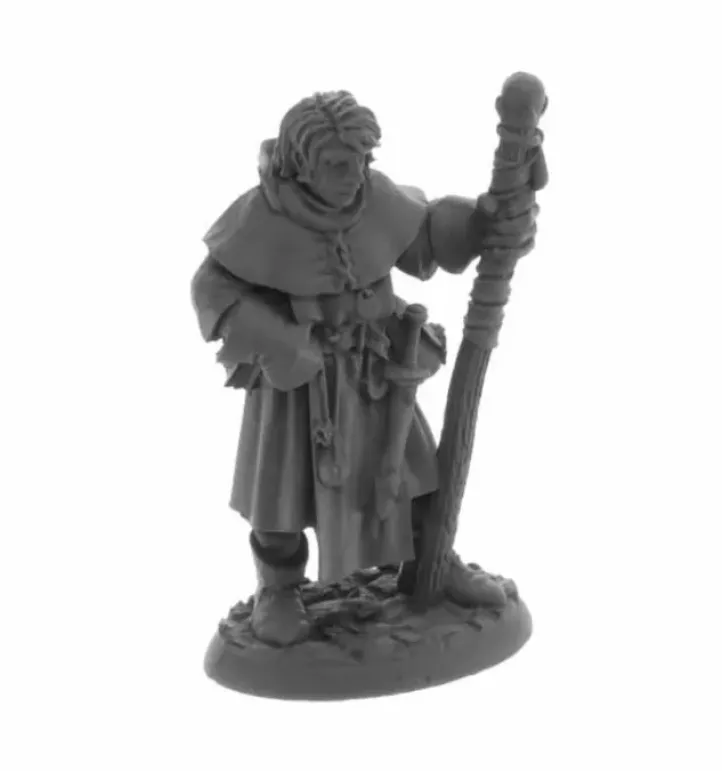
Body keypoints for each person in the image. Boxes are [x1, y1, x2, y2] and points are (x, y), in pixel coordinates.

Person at [192, 90, 511, 646]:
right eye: (338, 164)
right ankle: (278, 589)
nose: (354, 175)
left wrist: (483, 225)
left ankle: (432, 564)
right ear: (301, 163)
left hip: (376, 370)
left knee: (414, 474)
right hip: (299, 384)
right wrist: (274, 339)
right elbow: (212, 290)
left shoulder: (375, 198)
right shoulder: (256, 219)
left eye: (362, 160)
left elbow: (425, 238)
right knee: (281, 496)